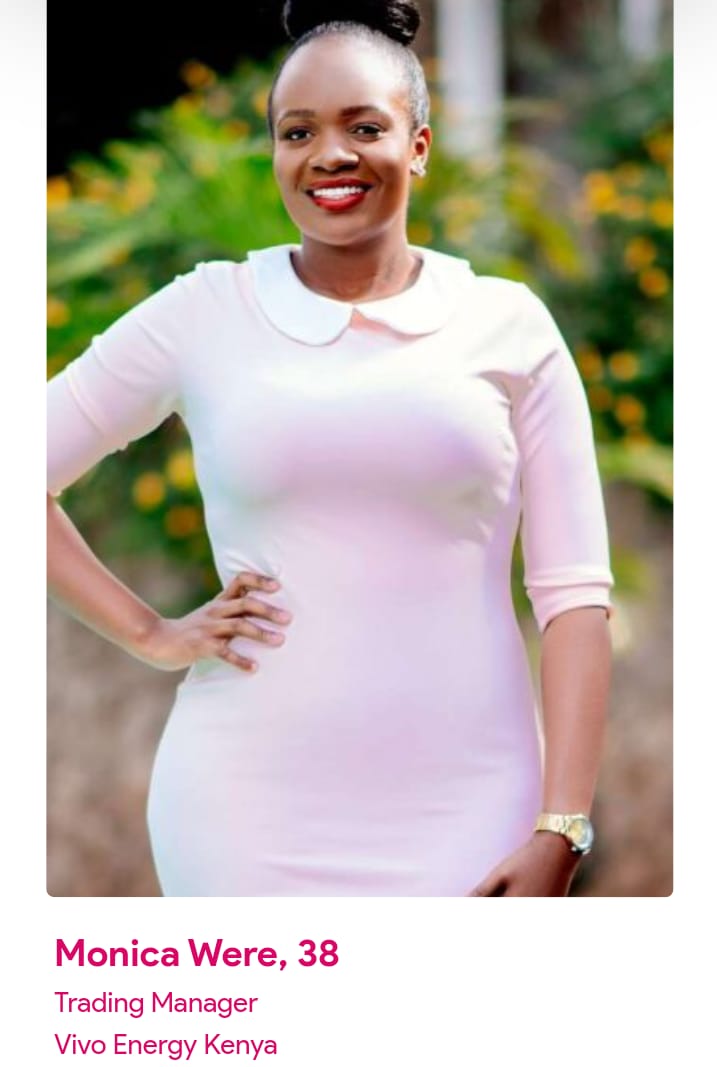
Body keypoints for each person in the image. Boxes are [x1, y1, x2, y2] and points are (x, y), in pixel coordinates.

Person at [47, 0, 613, 897]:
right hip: (241, 813)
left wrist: (563, 823)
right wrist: (151, 634)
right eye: (297, 131)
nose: (329, 154)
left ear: (418, 147)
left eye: (365, 127)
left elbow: (573, 595)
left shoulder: (508, 324)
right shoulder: (205, 311)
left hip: (473, 803)